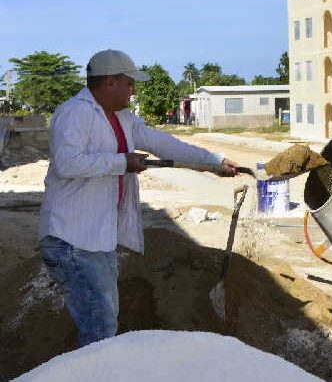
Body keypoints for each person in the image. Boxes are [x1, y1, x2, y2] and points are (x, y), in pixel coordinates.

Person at [39, 49, 240, 348]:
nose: (133, 90)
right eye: (129, 83)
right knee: (100, 324)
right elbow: (68, 163)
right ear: (110, 82)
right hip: (72, 239)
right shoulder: (75, 113)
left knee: (104, 321)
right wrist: (123, 162)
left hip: (94, 238)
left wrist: (214, 161)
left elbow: (163, 142)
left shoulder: (121, 117)